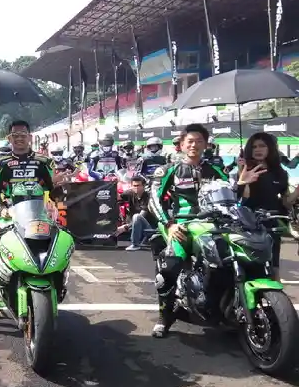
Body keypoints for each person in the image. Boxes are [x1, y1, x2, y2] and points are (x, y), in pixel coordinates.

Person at [147, 123, 259, 338]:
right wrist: (169, 224)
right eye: (190, 141)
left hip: (215, 222)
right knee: (170, 265)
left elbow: (233, 195)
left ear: (206, 145)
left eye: (199, 141)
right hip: (182, 223)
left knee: (238, 253)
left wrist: (241, 183)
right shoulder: (168, 169)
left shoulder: (216, 169)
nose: (194, 145)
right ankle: (165, 316)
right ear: (181, 145)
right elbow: (153, 199)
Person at [0, 120, 64, 289]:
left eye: (23, 135)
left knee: (60, 239)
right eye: (15, 135)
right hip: (10, 212)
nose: (19, 138)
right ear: (9, 138)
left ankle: (58, 275)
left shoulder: (44, 162)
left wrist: (56, 202)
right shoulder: (0, 164)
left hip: (39, 214)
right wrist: (2, 210)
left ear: (30, 137)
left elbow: (54, 189)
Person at [236, 132, 299, 281]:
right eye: (254, 146)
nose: (258, 149)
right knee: (250, 268)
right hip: (248, 224)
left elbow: (286, 202)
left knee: (274, 268)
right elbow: (242, 198)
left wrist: (297, 191)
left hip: (272, 223)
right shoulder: (246, 169)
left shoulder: (280, 173)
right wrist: (243, 178)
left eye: (262, 146)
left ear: (270, 148)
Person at [116, 175, 154, 251]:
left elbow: (141, 216)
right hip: (134, 227)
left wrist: (125, 227)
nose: (136, 188)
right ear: (131, 186)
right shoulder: (130, 193)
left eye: (138, 185)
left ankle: (135, 244)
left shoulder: (149, 196)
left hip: (149, 228)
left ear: (144, 186)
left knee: (137, 216)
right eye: (134, 186)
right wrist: (113, 186)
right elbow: (118, 198)